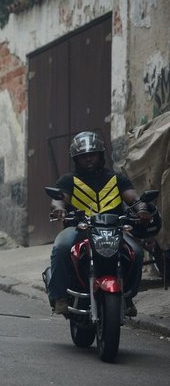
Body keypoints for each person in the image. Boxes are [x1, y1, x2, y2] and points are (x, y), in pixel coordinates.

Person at [48, 131, 153, 317]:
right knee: (61, 247)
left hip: (114, 229)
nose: (88, 159)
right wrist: (59, 209)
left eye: (92, 154)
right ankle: (59, 296)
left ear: (101, 155)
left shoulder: (116, 178)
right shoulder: (68, 180)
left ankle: (128, 297)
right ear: (76, 159)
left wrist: (142, 210)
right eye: (83, 156)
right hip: (79, 228)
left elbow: (134, 198)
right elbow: (59, 199)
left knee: (136, 252)